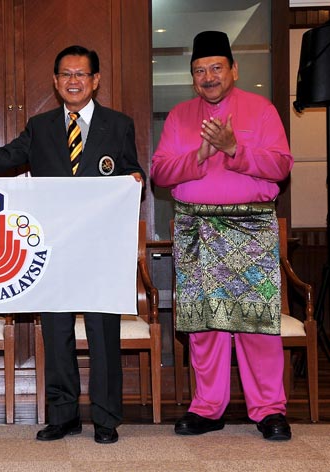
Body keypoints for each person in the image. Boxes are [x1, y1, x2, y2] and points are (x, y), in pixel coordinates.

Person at [0, 45, 144, 444]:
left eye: (81, 74)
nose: (73, 81)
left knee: (104, 334)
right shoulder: (41, 125)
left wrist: (136, 180)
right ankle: (63, 414)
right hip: (55, 248)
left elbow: (132, 171)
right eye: (65, 74)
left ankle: (105, 418)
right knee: (56, 332)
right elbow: (5, 158)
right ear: (55, 81)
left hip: (101, 250)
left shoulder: (118, 125)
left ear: (95, 80)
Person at [151, 31, 294, 441]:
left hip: (250, 230)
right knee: (203, 325)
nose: (208, 76)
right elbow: (160, 172)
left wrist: (235, 148)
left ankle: (269, 410)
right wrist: (198, 155)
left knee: (254, 325)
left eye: (216, 67)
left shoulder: (261, 109)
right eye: (199, 70)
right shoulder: (180, 116)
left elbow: (281, 166)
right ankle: (207, 408)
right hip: (196, 230)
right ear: (191, 76)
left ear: (234, 69)